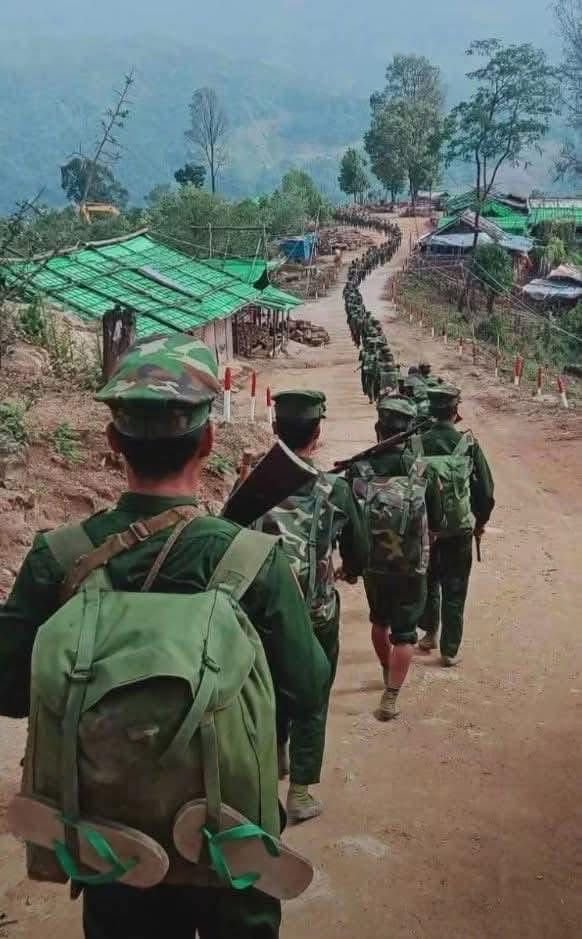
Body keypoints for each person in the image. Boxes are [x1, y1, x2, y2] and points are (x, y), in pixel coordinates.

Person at [0, 335, 331, 939]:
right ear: (207, 442)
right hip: (232, 830)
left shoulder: (59, 558)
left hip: (109, 834)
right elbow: (307, 688)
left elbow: (10, 690)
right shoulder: (252, 560)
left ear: (112, 441)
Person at [258, 390, 367, 823]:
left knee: (268, 687)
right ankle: (300, 794)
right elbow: (359, 549)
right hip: (316, 613)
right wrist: (350, 571)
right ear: (317, 434)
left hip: (263, 614)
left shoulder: (254, 485)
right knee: (312, 695)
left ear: (275, 429)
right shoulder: (334, 489)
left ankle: (274, 758)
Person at [347, 397, 442, 720]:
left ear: (378, 428)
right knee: (404, 633)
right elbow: (437, 520)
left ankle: (386, 668)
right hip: (411, 565)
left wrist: (351, 562)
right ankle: (391, 695)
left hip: (374, 563)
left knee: (379, 621)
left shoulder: (359, 469)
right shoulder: (421, 469)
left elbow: (348, 521)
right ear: (410, 433)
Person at [418, 384, 495, 666]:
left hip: (426, 530)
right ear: (455, 411)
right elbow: (485, 491)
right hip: (459, 529)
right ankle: (449, 650)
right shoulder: (468, 444)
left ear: (431, 410)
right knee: (456, 587)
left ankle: (429, 634)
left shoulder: (417, 443)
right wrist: (480, 521)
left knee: (428, 580)